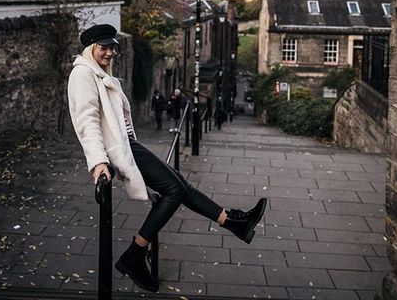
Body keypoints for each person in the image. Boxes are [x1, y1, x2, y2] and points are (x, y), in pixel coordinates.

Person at [68, 24, 267, 293]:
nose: (110, 52)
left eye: (112, 46)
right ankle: (135, 254)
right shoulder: (82, 74)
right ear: (91, 48)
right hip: (116, 150)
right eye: (103, 47)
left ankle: (233, 222)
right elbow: (86, 121)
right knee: (173, 191)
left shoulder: (98, 72)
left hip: (127, 145)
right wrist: (98, 162)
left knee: (180, 185)